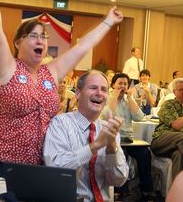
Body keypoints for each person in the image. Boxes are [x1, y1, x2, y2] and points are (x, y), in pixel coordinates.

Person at [0, 0, 124, 174]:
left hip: (41, 164)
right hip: (1, 162)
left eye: (44, 37)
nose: (41, 40)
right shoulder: (7, 69)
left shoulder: (50, 72)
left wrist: (108, 22)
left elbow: (82, 47)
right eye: (34, 36)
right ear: (18, 42)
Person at [43, 71, 128, 202]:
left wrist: (111, 148)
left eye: (104, 89)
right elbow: (55, 169)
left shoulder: (109, 129)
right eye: (93, 88)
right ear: (78, 93)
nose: (99, 93)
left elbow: (118, 180)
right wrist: (95, 145)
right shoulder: (61, 124)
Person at [101, 72, 155, 200]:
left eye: (125, 84)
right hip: (113, 137)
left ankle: (146, 189)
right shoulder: (106, 98)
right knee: (121, 154)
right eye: (120, 83)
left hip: (128, 138)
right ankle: (120, 191)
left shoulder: (128, 100)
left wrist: (130, 98)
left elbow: (139, 117)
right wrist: (114, 97)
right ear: (113, 85)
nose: (123, 86)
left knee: (145, 153)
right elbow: (109, 116)